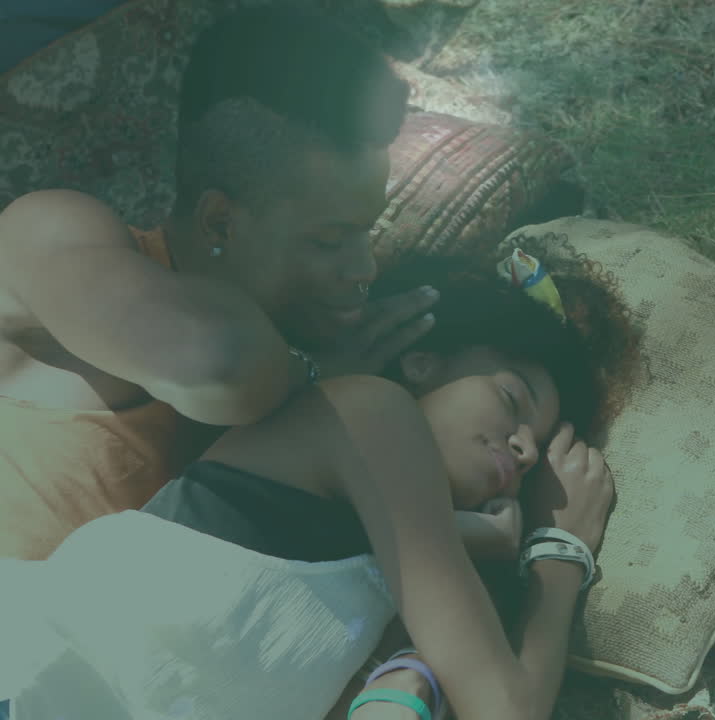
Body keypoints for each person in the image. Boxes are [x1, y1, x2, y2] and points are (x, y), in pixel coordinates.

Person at [1, 248, 637, 720]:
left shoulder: (400, 579)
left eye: (538, 442)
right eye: (510, 397)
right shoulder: (367, 411)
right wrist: (561, 551)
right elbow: (506, 711)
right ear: (422, 360)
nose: (524, 447)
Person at [0, 6, 438, 562]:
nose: (365, 269)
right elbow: (216, 359)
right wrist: (315, 373)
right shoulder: (52, 230)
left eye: (367, 233)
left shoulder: (293, 350)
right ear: (219, 222)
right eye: (329, 240)